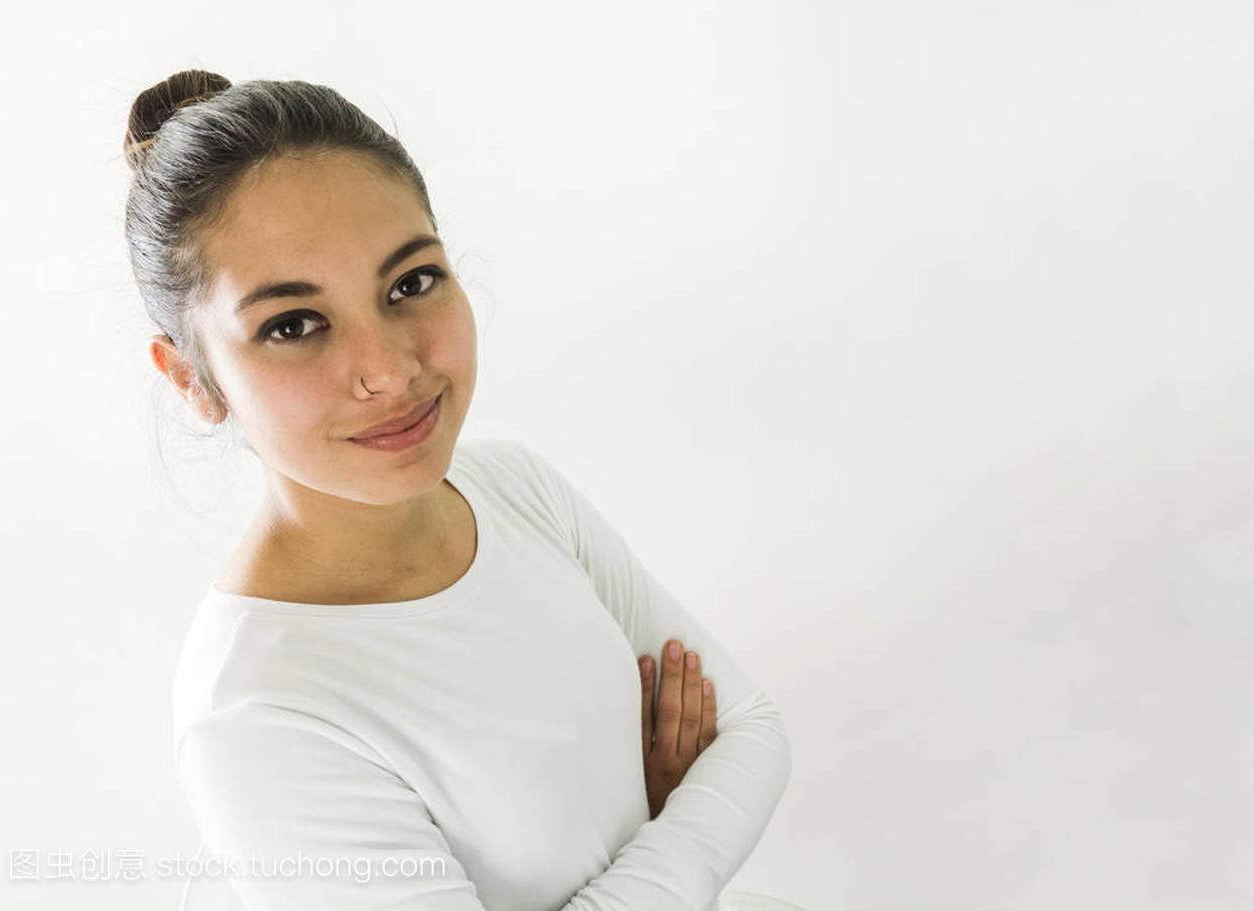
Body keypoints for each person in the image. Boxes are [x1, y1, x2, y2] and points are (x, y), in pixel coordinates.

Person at [125, 70, 792, 911]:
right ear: (192, 376)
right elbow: (721, 778)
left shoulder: (514, 488)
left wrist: (633, 858)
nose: (391, 370)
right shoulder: (255, 711)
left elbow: (753, 732)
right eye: (293, 325)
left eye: (409, 283)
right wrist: (665, 827)